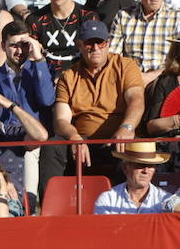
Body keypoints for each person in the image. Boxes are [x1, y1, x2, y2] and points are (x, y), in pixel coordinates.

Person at [46, 19, 146, 189]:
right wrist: (74, 136)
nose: (95, 48)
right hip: (83, 140)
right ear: (79, 45)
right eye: (89, 43)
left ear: (108, 43)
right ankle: (51, 204)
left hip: (119, 136)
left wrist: (127, 127)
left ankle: (129, 208)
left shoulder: (126, 66)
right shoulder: (69, 76)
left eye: (100, 42)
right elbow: (61, 120)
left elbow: (136, 100)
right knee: (52, 147)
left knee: (133, 147)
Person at [109, 0, 180, 82]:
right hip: (130, 79)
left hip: (164, 79)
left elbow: (178, 62)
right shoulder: (123, 16)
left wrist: (150, 76)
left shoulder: (176, 17)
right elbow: (113, 57)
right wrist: (133, 77)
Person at [28, 0, 95, 76]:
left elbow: (94, 54)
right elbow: (31, 59)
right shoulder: (35, 20)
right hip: (46, 76)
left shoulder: (87, 17)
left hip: (82, 76)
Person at [94, 142, 179, 214]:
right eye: (140, 165)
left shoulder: (165, 199)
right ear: (125, 168)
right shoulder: (108, 198)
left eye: (150, 166)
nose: (146, 171)